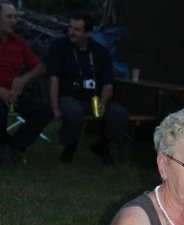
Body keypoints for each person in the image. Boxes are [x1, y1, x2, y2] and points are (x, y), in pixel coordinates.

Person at [46, 10, 129, 165]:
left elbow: (108, 84)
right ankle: (70, 145)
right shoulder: (59, 46)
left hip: (94, 99)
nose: (71, 32)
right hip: (69, 97)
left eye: (77, 29)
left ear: (88, 33)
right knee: (74, 112)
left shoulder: (100, 52)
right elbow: (54, 78)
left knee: (120, 114)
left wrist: (103, 102)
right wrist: (54, 106)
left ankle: (102, 146)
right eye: (70, 27)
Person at [0, 1, 53, 164]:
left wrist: (24, 78)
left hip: (13, 94)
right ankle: (4, 150)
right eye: (9, 17)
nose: (13, 21)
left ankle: (11, 146)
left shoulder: (18, 42)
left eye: (15, 17)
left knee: (44, 112)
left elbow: (41, 67)